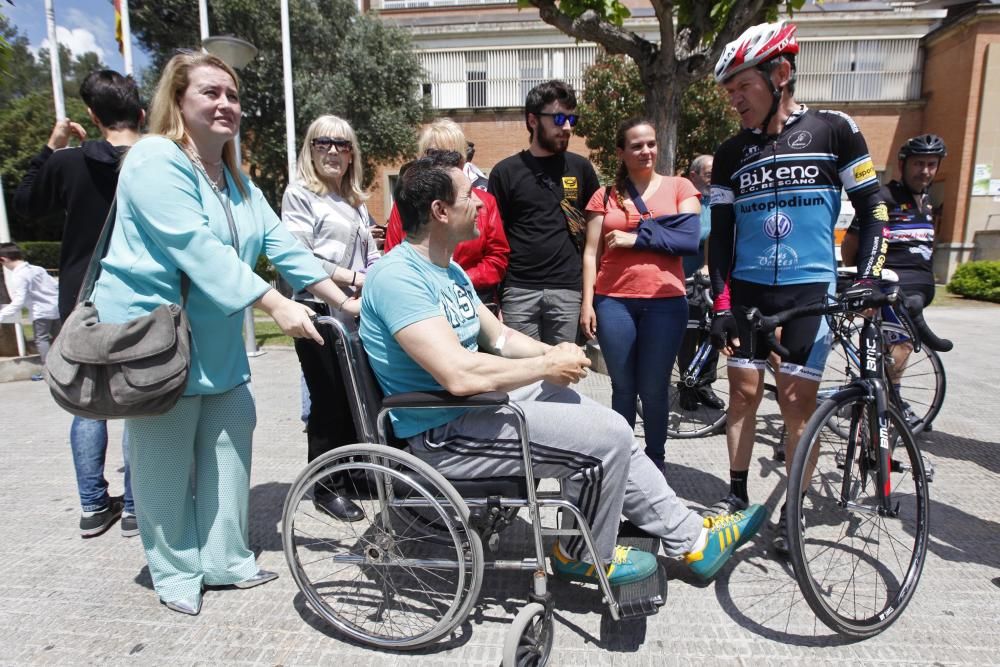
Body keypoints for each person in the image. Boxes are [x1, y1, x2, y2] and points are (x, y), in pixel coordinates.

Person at [360, 151, 766, 589]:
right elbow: (457, 374)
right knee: (606, 440)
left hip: (474, 409)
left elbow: (499, 338)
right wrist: (543, 365)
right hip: (444, 432)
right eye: (469, 194)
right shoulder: (399, 277)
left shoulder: (449, 269)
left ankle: (693, 540)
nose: (481, 202)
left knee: (606, 423)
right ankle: (578, 554)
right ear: (440, 211)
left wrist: (555, 354)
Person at [88, 52, 360, 616]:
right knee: (164, 463)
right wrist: (273, 302)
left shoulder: (237, 181)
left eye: (232, 95)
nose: (225, 104)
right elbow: (195, 247)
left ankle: (225, 558)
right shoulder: (154, 159)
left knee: (230, 449)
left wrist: (346, 302)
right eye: (210, 92)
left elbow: (284, 245)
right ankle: (175, 569)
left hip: (218, 350)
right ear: (178, 100)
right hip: (158, 346)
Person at [708, 21, 888, 554]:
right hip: (748, 289)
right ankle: (736, 498)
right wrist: (720, 302)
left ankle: (793, 510)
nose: (735, 99)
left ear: (781, 73)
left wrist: (870, 275)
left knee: (795, 402)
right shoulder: (729, 153)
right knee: (742, 394)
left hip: (809, 289)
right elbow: (720, 236)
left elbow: (875, 208)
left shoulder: (835, 129)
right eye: (729, 90)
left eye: (744, 85)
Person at [13, 69, 143, 539]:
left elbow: (25, 204)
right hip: (137, 296)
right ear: (142, 112)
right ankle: (133, 505)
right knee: (135, 400)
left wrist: (51, 145)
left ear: (91, 114)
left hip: (81, 300)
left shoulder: (67, 164)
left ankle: (92, 505)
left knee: (87, 406)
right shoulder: (155, 161)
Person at [579, 118, 700, 472]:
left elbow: (689, 240)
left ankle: (656, 461)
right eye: (636, 145)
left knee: (654, 386)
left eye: (651, 143)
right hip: (613, 299)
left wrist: (638, 238)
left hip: (665, 301)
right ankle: (624, 462)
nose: (646, 151)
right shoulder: (605, 195)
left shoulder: (681, 187)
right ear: (621, 152)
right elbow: (591, 252)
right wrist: (587, 302)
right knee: (623, 386)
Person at [281, 115, 381, 521]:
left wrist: (378, 270)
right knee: (328, 399)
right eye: (324, 143)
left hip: (353, 312)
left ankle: (353, 473)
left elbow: (368, 249)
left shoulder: (354, 199)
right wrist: (353, 278)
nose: (334, 151)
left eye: (343, 144)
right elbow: (298, 259)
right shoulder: (300, 194)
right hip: (317, 310)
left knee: (355, 395)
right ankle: (325, 486)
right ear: (311, 148)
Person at [841, 133, 946, 426]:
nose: (924, 170)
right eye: (918, 164)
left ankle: (876, 399)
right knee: (898, 344)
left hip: (917, 290)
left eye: (931, 164)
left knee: (896, 349)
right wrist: (864, 280)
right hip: (891, 286)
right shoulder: (884, 198)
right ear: (902, 165)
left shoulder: (926, 202)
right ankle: (892, 405)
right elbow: (851, 243)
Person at [488, 80, 600, 344]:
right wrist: (497, 299)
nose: (567, 127)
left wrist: (589, 298)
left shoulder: (580, 168)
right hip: (518, 291)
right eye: (559, 118)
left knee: (563, 373)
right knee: (522, 378)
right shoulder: (505, 172)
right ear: (533, 120)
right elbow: (495, 239)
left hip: (568, 291)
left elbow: (595, 239)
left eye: (572, 119)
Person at [385, 119, 510, 308]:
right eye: (433, 154)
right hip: (421, 298)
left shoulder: (484, 202)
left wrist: (456, 279)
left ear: (463, 160)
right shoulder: (405, 204)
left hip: (474, 299)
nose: (441, 163)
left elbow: (497, 258)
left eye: (451, 156)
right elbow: (392, 256)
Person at [676, 154, 725, 412]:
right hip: (686, 278)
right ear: (693, 175)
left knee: (712, 332)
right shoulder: (685, 200)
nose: (714, 178)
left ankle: (705, 384)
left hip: (714, 279)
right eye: (709, 174)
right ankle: (686, 386)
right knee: (689, 333)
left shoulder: (719, 199)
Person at [0, 243, 60, 373]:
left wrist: (1, 315)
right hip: (56, 308)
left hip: (40, 312)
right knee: (60, 338)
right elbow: (55, 286)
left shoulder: (19, 275)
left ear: (3, 260)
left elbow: (19, 301)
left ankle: (49, 370)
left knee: (41, 339)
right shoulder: (38, 269)